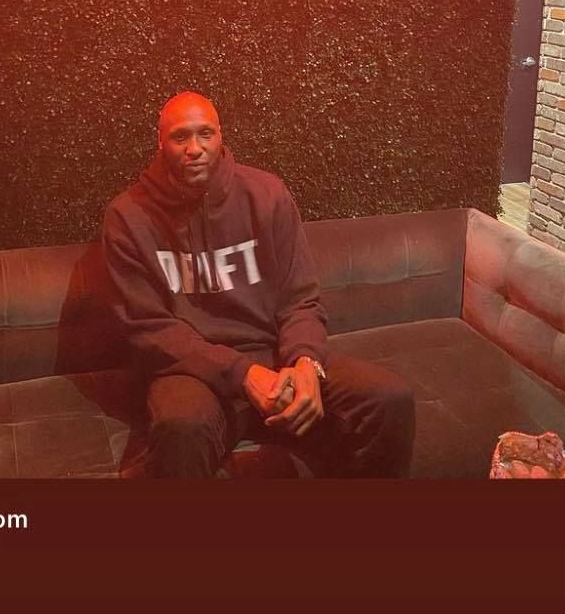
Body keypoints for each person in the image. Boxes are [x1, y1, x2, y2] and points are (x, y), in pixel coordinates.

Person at [102, 91, 415, 479]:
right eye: (180, 137)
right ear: (161, 142)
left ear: (221, 135)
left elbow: (301, 299)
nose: (195, 148)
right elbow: (149, 330)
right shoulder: (128, 216)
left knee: (390, 399)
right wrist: (242, 374)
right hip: (192, 370)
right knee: (182, 426)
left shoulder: (267, 194)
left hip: (276, 354)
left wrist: (306, 362)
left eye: (205, 134)